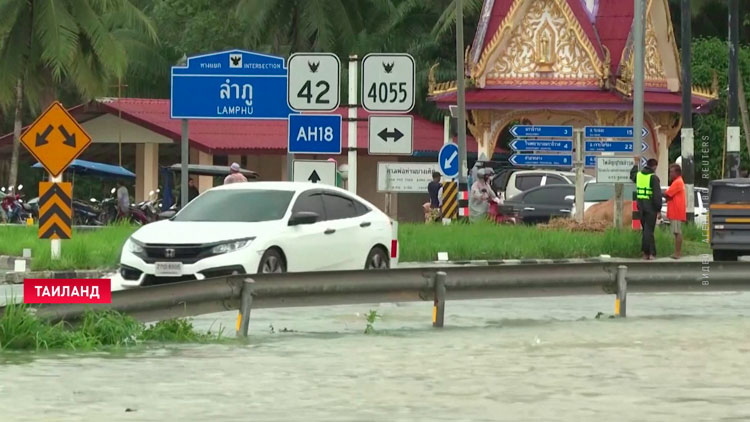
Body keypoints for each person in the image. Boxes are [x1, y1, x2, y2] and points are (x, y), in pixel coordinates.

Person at [630, 158, 662, 260]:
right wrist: (658, 210)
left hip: (640, 206)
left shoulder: (639, 175)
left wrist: (635, 164)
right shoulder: (653, 178)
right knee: (649, 231)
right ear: (655, 166)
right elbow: (657, 196)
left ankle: (646, 253)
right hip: (650, 207)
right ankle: (649, 253)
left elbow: (632, 175)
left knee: (645, 230)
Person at [664, 163, 686, 259]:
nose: (670, 174)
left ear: (677, 173)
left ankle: (677, 253)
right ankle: (677, 252)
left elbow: (667, 194)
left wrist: (662, 194)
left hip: (676, 211)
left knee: (677, 232)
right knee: (676, 232)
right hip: (675, 211)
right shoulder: (677, 182)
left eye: (671, 172)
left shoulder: (677, 182)